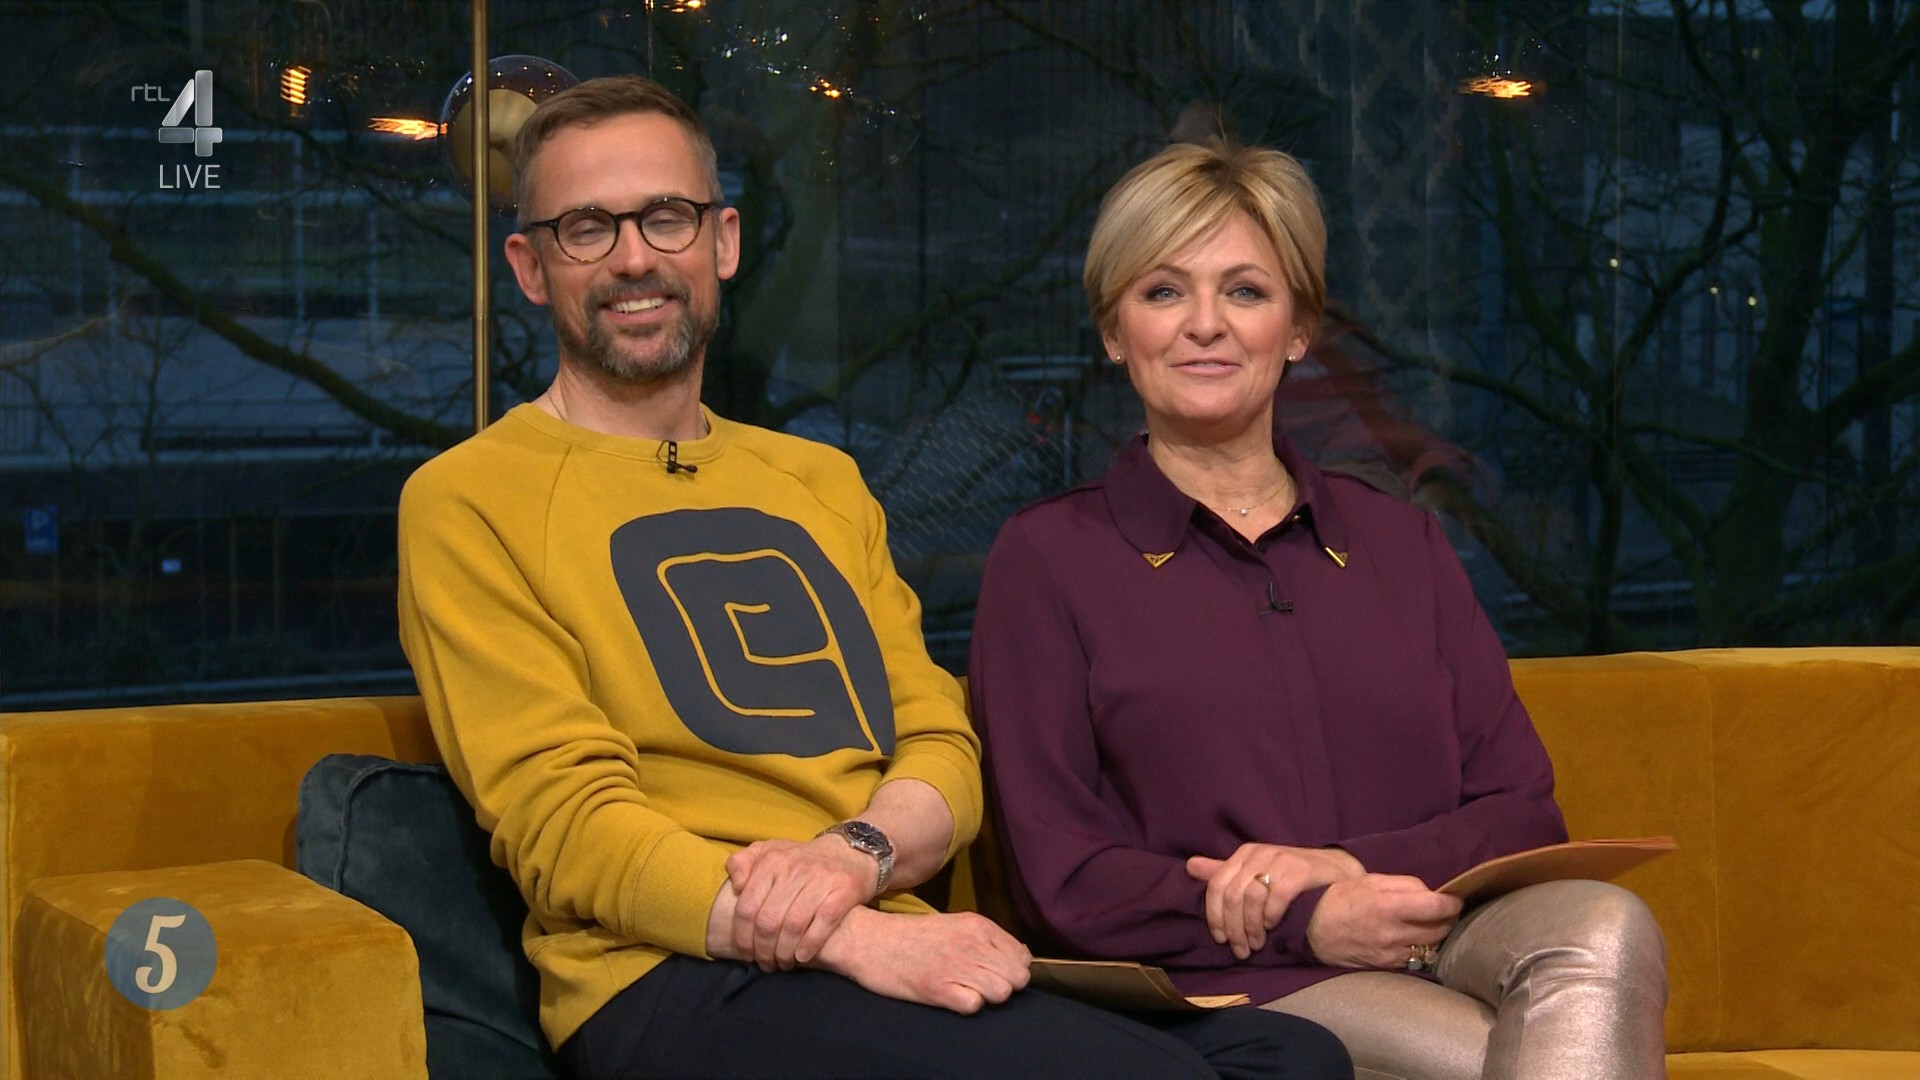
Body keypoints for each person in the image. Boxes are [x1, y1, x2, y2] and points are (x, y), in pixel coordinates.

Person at [396, 76, 1352, 1079]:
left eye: (667, 217)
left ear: (723, 241)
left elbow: (938, 740)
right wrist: (850, 937)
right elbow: (566, 825)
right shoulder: (468, 498)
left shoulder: (819, 481)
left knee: (1293, 1058)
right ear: (530, 266)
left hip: (876, 928)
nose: (635, 258)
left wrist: (852, 859)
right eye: (588, 228)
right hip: (669, 974)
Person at [968, 138, 1669, 1080]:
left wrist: (1346, 867)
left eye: (1245, 291)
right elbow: (1061, 874)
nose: (1205, 325)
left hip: (1436, 927)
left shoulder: (1403, 544)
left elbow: (1523, 811)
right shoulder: (1048, 558)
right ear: (1113, 331)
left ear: (1298, 328)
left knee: (1607, 923)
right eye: (1164, 291)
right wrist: (1308, 914)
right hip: (1227, 979)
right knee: (1496, 1060)